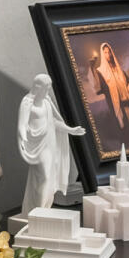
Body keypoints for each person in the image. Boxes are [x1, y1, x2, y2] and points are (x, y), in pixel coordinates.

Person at [14, 72, 85, 214]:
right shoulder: (27, 102)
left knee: (50, 178)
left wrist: (71, 130)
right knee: (45, 176)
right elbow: (22, 124)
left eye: (48, 88)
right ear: (38, 87)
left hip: (49, 144)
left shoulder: (47, 101)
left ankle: (44, 209)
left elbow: (55, 122)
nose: (47, 91)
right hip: (36, 145)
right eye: (46, 88)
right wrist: (23, 137)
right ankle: (39, 212)